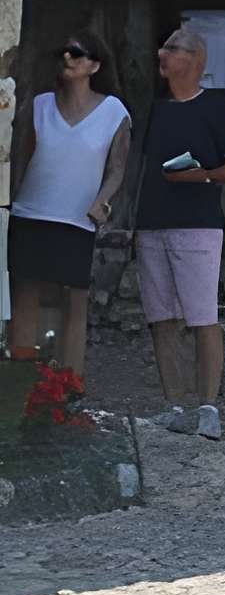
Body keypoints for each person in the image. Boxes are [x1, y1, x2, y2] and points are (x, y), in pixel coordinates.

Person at [134, 25, 225, 440]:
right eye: (161, 46)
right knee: (160, 319)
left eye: (173, 48)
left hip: (198, 225)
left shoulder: (216, 108)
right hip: (151, 224)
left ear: (197, 60)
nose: (162, 54)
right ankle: (174, 406)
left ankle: (208, 408)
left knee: (203, 318)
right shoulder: (157, 110)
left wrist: (203, 175)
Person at [7, 27, 130, 383]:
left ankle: (70, 389)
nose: (67, 58)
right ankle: (21, 385)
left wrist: (101, 201)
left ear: (94, 65)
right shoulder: (39, 104)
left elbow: (117, 168)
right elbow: (19, 161)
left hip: (78, 218)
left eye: (76, 53)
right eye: (63, 52)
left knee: (75, 301)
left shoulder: (113, 111)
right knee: (25, 296)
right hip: (31, 211)